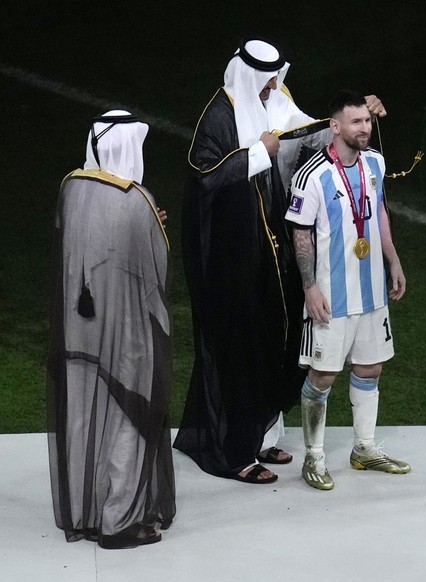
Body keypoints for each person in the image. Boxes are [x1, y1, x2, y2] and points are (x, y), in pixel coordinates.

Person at [174, 36, 387, 484]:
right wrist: (257, 154)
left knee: (277, 336)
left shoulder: (278, 97)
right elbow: (203, 176)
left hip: (274, 247)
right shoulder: (219, 114)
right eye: (268, 80)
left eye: (276, 78)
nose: (274, 86)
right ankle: (235, 451)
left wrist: (353, 120)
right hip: (234, 253)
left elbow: (307, 131)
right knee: (242, 343)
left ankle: (264, 432)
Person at [46, 110, 176, 548]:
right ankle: (119, 520)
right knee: (129, 418)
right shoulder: (136, 199)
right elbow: (156, 271)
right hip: (127, 333)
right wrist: (155, 224)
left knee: (83, 415)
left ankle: (85, 512)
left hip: (78, 329)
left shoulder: (71, 187)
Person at [285, 89, 408, 490]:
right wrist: (309, 287)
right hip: (331, 295)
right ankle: (314, 457)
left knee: (371, 368)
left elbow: (380, 212)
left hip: (371, 292)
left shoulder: (375, 163)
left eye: (367, 121)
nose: (365, 128)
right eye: (356, 122)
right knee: (322, 376)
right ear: (335, 127)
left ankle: (365, 448)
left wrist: (393, 259)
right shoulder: (312, 175)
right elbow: (300, 234)